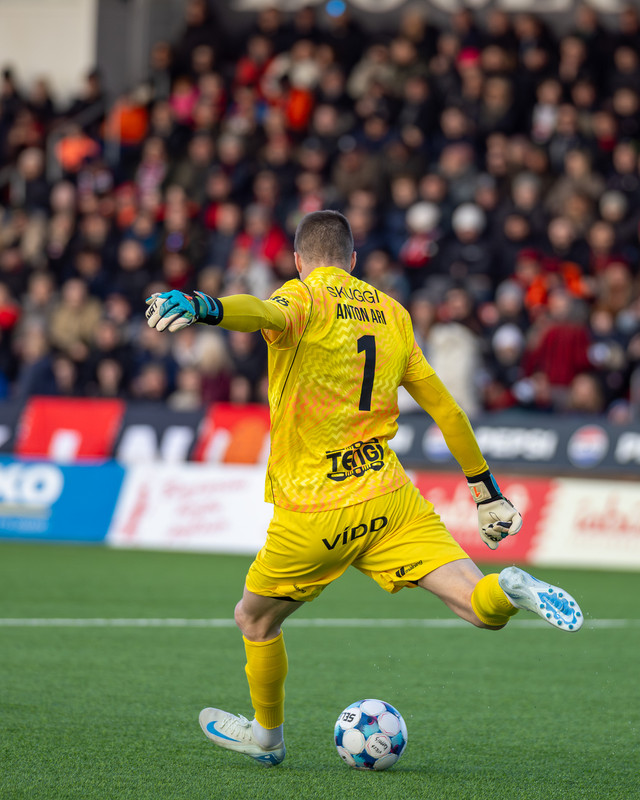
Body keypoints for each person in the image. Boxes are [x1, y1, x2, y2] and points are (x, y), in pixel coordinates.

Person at [145, 210, 583, 767]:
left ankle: (267, 738)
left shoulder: (304, 297)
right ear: (352, 260)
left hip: (316, 507)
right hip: (389, 497)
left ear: (298, 261)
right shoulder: (393, 313)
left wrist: (206, 306)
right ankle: (511, 587)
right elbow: (447, 411)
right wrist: (485, 490)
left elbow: (261, 311)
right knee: (479, 606)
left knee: (254, 619)